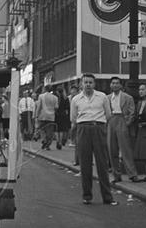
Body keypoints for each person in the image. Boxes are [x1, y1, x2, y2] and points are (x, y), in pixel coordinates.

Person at [70, 73, 117, 205]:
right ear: (81, 84)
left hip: (98, 128)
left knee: (102, 163)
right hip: (83, 128)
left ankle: (107, 197)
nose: (88, 85)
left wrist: (99, 124)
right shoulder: (76, 99)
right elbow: (73, 118)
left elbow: (108, 114)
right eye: (86, 82)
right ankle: (87, 196)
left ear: (94, 84)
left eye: (91, 82)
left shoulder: (102, 97)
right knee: (85, 164)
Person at [106, 76, 138, 182]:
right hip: (111, 120)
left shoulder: (127, 97)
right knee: (112, 149)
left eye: (117, 83)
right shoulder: (107, 98)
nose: (115, 85)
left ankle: (132, 174)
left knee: (126, 149)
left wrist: (127, 123)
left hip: (122, 120)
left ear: (120, 85)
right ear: (110, 85)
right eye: (113, 83)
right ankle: (116, 174)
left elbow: (132, 112)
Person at [35, 84, 58, 150]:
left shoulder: (41, 96)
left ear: (45, 89)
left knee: (42, 129)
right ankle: (48, 144)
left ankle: (44, 139)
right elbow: (56, 107)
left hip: (42, 115)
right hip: (51, 116)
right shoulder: (55, 97)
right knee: (50, 131)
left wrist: (37, 115)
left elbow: (39, 106)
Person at [54, 85, 71, 150]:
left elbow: (55, 107)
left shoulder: (56, 98)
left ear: (57, 91)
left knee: (56, 129)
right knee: (61, 130)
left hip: (56, 114)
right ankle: (60, 142)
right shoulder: (66, 98)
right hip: (63, 115)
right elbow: (67, 108)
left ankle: (57, 141)